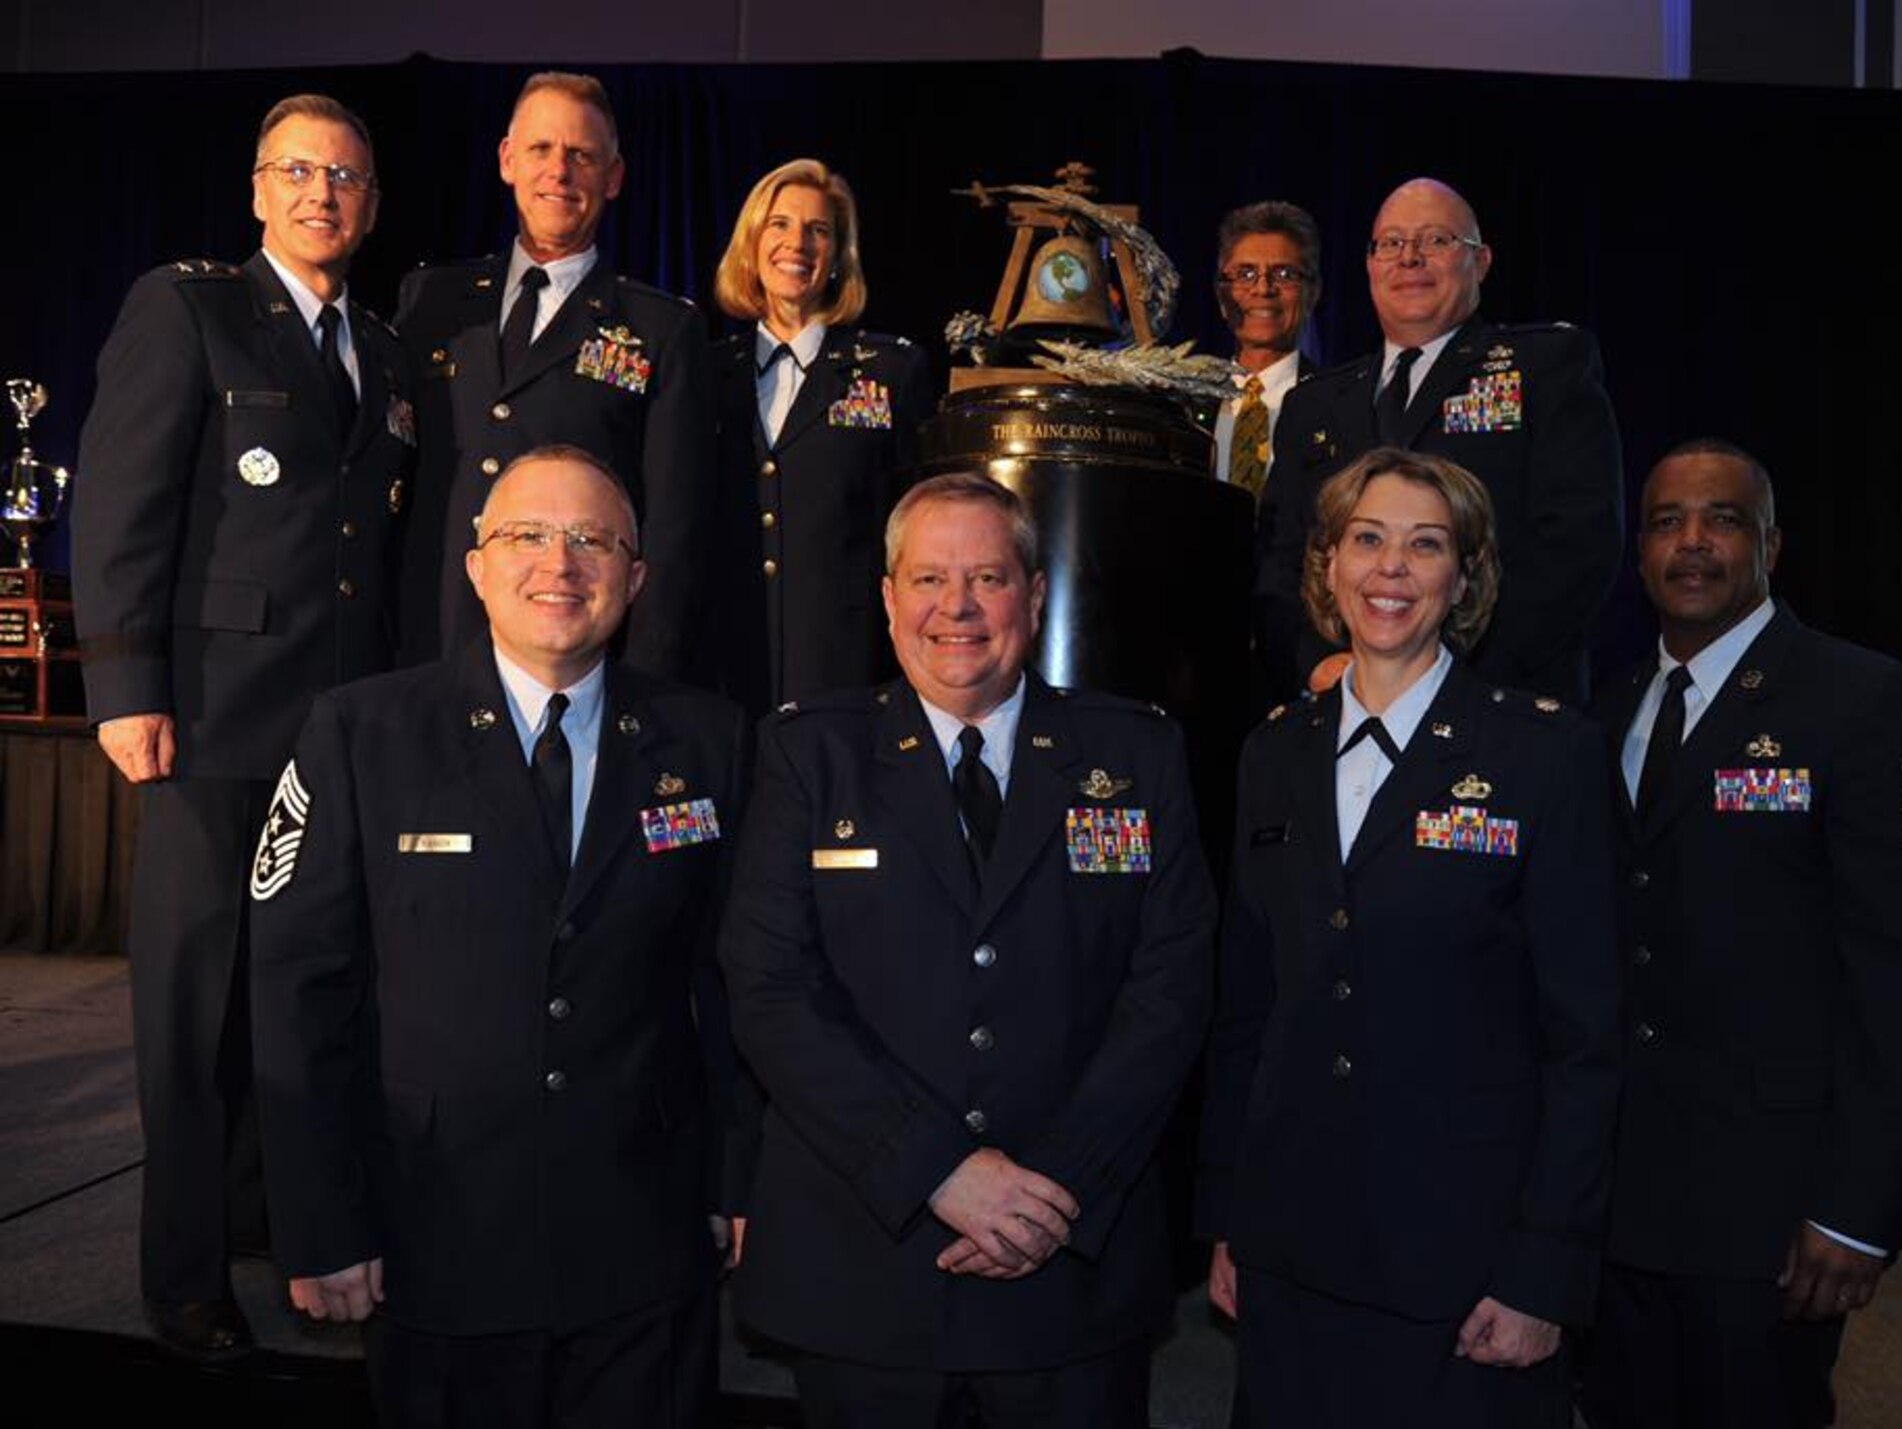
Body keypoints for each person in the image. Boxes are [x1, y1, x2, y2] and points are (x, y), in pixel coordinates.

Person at [251, 447, 748, 1428]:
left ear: (634, 577)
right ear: (475, 564)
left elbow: (733, 982)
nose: (557, 564)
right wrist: (318, 1218)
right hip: (434, 1240)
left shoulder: (711, 742)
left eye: (591, 540)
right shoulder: (361, 732)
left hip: (641, 1241)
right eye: (525, 535)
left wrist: (739, 1177)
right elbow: (298, 991)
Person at [719, 472, 1215, 1429]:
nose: (957, 607)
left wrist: (1055, 1188)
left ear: (1033, 595)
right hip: (868, 1264)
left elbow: (1172, 986)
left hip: (1069, 1262)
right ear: (889, 598)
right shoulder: (808, 754)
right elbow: (771, 988)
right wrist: (940, 1169)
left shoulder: (1137, 755)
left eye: (987, 577)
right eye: (929, 578)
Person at [71, 92, 413, 1360]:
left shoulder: (377, 346)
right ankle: (183, 1271)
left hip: (337, 735)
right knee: (192, 1011)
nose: (325, 192)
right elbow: (121, 503)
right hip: (210, 721)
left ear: (372, 205)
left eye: (348, 177)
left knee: (307, 991)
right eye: (301, 171)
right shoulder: (190, 306)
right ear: (259, 189)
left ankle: (269, 1218)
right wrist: (125, 687)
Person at [1201, 447, 1623, 1426]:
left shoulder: (1543, 756)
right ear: (1327, 564)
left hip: (1466, 1262)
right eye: (1366, 539)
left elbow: (1585, 1042)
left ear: (1463, 576)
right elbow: (1244, 1011)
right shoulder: (1271, 753)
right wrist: (1225, 1219)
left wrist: (1542, 1270)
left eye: (1424, 545)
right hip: (1292, 1242)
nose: (1389, 569)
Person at [1579, 440, 1902, 1429]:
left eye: (1721, 519)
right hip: (1615, 1201)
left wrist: (1857, 1209)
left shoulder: (1865, 702)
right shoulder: (1606, 709)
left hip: (1769, 1209)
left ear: (1769, 545)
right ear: (1637, 553)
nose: (1692, 542)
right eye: (1665, 521)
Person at [1255, 177, 1622, 704]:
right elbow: (1282, 562)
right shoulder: (1314, 403)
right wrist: (1318, 662)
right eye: (1392, 244)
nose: (1410, 258)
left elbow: (1576, 547)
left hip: (1498, 704)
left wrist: (1441, 673)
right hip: (1345, 706)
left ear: (1482, 261)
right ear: (1369, 265)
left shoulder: (1544, 367)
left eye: (1436, 241)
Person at [395, 70, 711, 680]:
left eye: (581, 156)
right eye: (540, 149)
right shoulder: (430, 302)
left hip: (574, 658)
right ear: (508, 160)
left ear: (613, 178)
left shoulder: (660, 328)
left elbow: (673, 527)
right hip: (428, 640)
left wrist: (646, 677)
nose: (559, 172)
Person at [706, 157, 935, 712]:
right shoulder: (703, 372)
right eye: (780, 224)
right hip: (721, 668)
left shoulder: (891, 372)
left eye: (819, 230)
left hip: (845, 671)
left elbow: (918, 527)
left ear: (838, 256)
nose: (798, 243)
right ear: (751, 244)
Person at [1206, 201, 1320, 498]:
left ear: (1312, 293)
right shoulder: (1187, 403)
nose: (1263, 289)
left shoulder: (1336, 407)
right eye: (1245, 274)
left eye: (1284, 274)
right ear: (1221, 297)